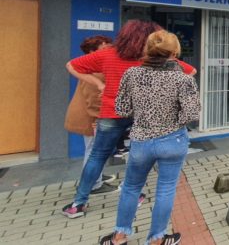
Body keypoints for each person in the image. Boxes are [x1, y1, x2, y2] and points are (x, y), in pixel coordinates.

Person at [62, 20, 196, 219]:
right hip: (142, 115)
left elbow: (72, 65)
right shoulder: (155, 60)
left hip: (111, 112)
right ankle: (135, 194)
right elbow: (190, 71)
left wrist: (99, 84)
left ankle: (79, 202)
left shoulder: (107, 55)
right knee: (137, 157)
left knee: (97, 156)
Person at [100, 30, 200, 245]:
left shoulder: (131, 75)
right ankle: (157, 239)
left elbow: (122, 108)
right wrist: (174, 122)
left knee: (131, 187)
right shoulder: (183, 79)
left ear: (148, 49)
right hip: (173, 140)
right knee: (165, 189)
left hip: (141, 140)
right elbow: (192, 114)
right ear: (174, 52)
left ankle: (119, 237)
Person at [64, 35, 116, 193]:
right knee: (94, 150)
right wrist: (99, 118)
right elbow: (94, 99)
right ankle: (93, 184)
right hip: (92, 117)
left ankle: (96, 176)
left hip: (90, 115)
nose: (108, 51)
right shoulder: (95, 71)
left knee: (95, 149)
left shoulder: (90, 67)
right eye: (104, 48)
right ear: (93, 51)